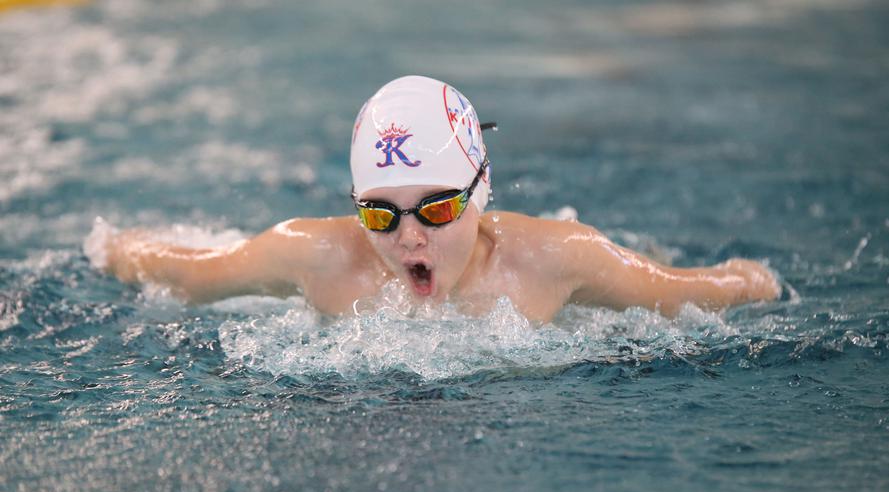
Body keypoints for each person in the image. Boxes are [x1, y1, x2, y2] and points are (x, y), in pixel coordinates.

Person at [96, 75, 780, 324]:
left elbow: (703, 291)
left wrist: (756, 284)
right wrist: (112, 250)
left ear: (481, 193)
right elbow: (186, 273)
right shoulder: (319, 259)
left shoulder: (557, 260)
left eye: (438, 207)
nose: (409, 237)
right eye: (379, 214)